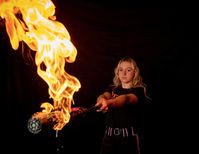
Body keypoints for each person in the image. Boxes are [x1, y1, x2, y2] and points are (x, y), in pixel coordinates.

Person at [95, 57, 152, 154]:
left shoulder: (139, 90)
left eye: (128, 70)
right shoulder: (113, 89)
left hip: (128, 140)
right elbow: (103, 95)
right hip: (108, 138)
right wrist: (102, 100)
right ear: (117, 72)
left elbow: (126, 99)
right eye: (121, 70)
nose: (124, 73)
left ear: (135, 72)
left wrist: (109, 102)